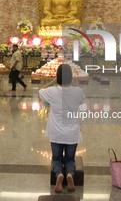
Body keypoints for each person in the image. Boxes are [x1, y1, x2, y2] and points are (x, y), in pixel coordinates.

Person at [39, 64, 85, 192]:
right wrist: (73, 84)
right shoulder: (78, 91)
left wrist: (53, 82)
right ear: (70, 77)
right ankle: (70, 174)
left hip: (56, 132)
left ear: (57, 77)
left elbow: (40, 91)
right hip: (72, 133)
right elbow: (81, 100)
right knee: (70, 158)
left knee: (57, 158)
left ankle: (59, 174)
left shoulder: (52, 91)